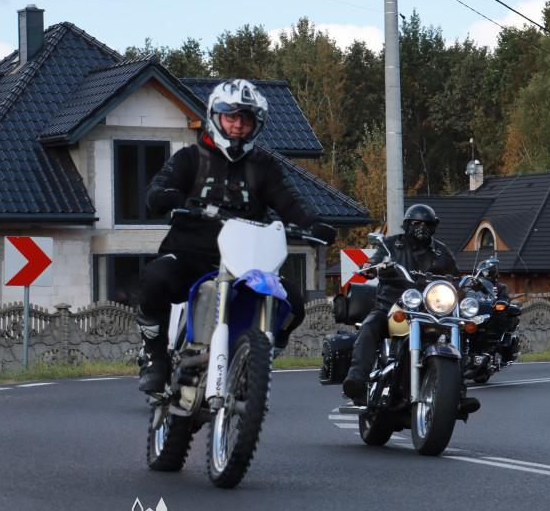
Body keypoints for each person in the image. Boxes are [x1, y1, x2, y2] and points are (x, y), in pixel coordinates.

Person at [136, 79, 336, 393]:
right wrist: (165, 195)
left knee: (294, 303)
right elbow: (157, 188)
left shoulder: (265, 167)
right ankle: (154, 354)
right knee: (153, 280)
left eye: (246, 118)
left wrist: (313, 224)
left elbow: (291, 203)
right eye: (231, 116)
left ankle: (261, 354)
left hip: (247, 262)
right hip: (189, 255)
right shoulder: (190, 158)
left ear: (257, 124)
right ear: (216, 117)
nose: (238, 124)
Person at [342, 204, 461, 405]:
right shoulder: (391, 245)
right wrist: (370, 267)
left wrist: (468, 286)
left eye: (426, 223)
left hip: (430, 311)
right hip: (392, 306)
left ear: (434, 226)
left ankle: (459, 392)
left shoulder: (442, 252)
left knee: (459, 330)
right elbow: (376, 259)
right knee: (370, 326)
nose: (421, 227)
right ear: (407, 225)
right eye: (416, 223)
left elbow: (457, 278)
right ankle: (357, 379)